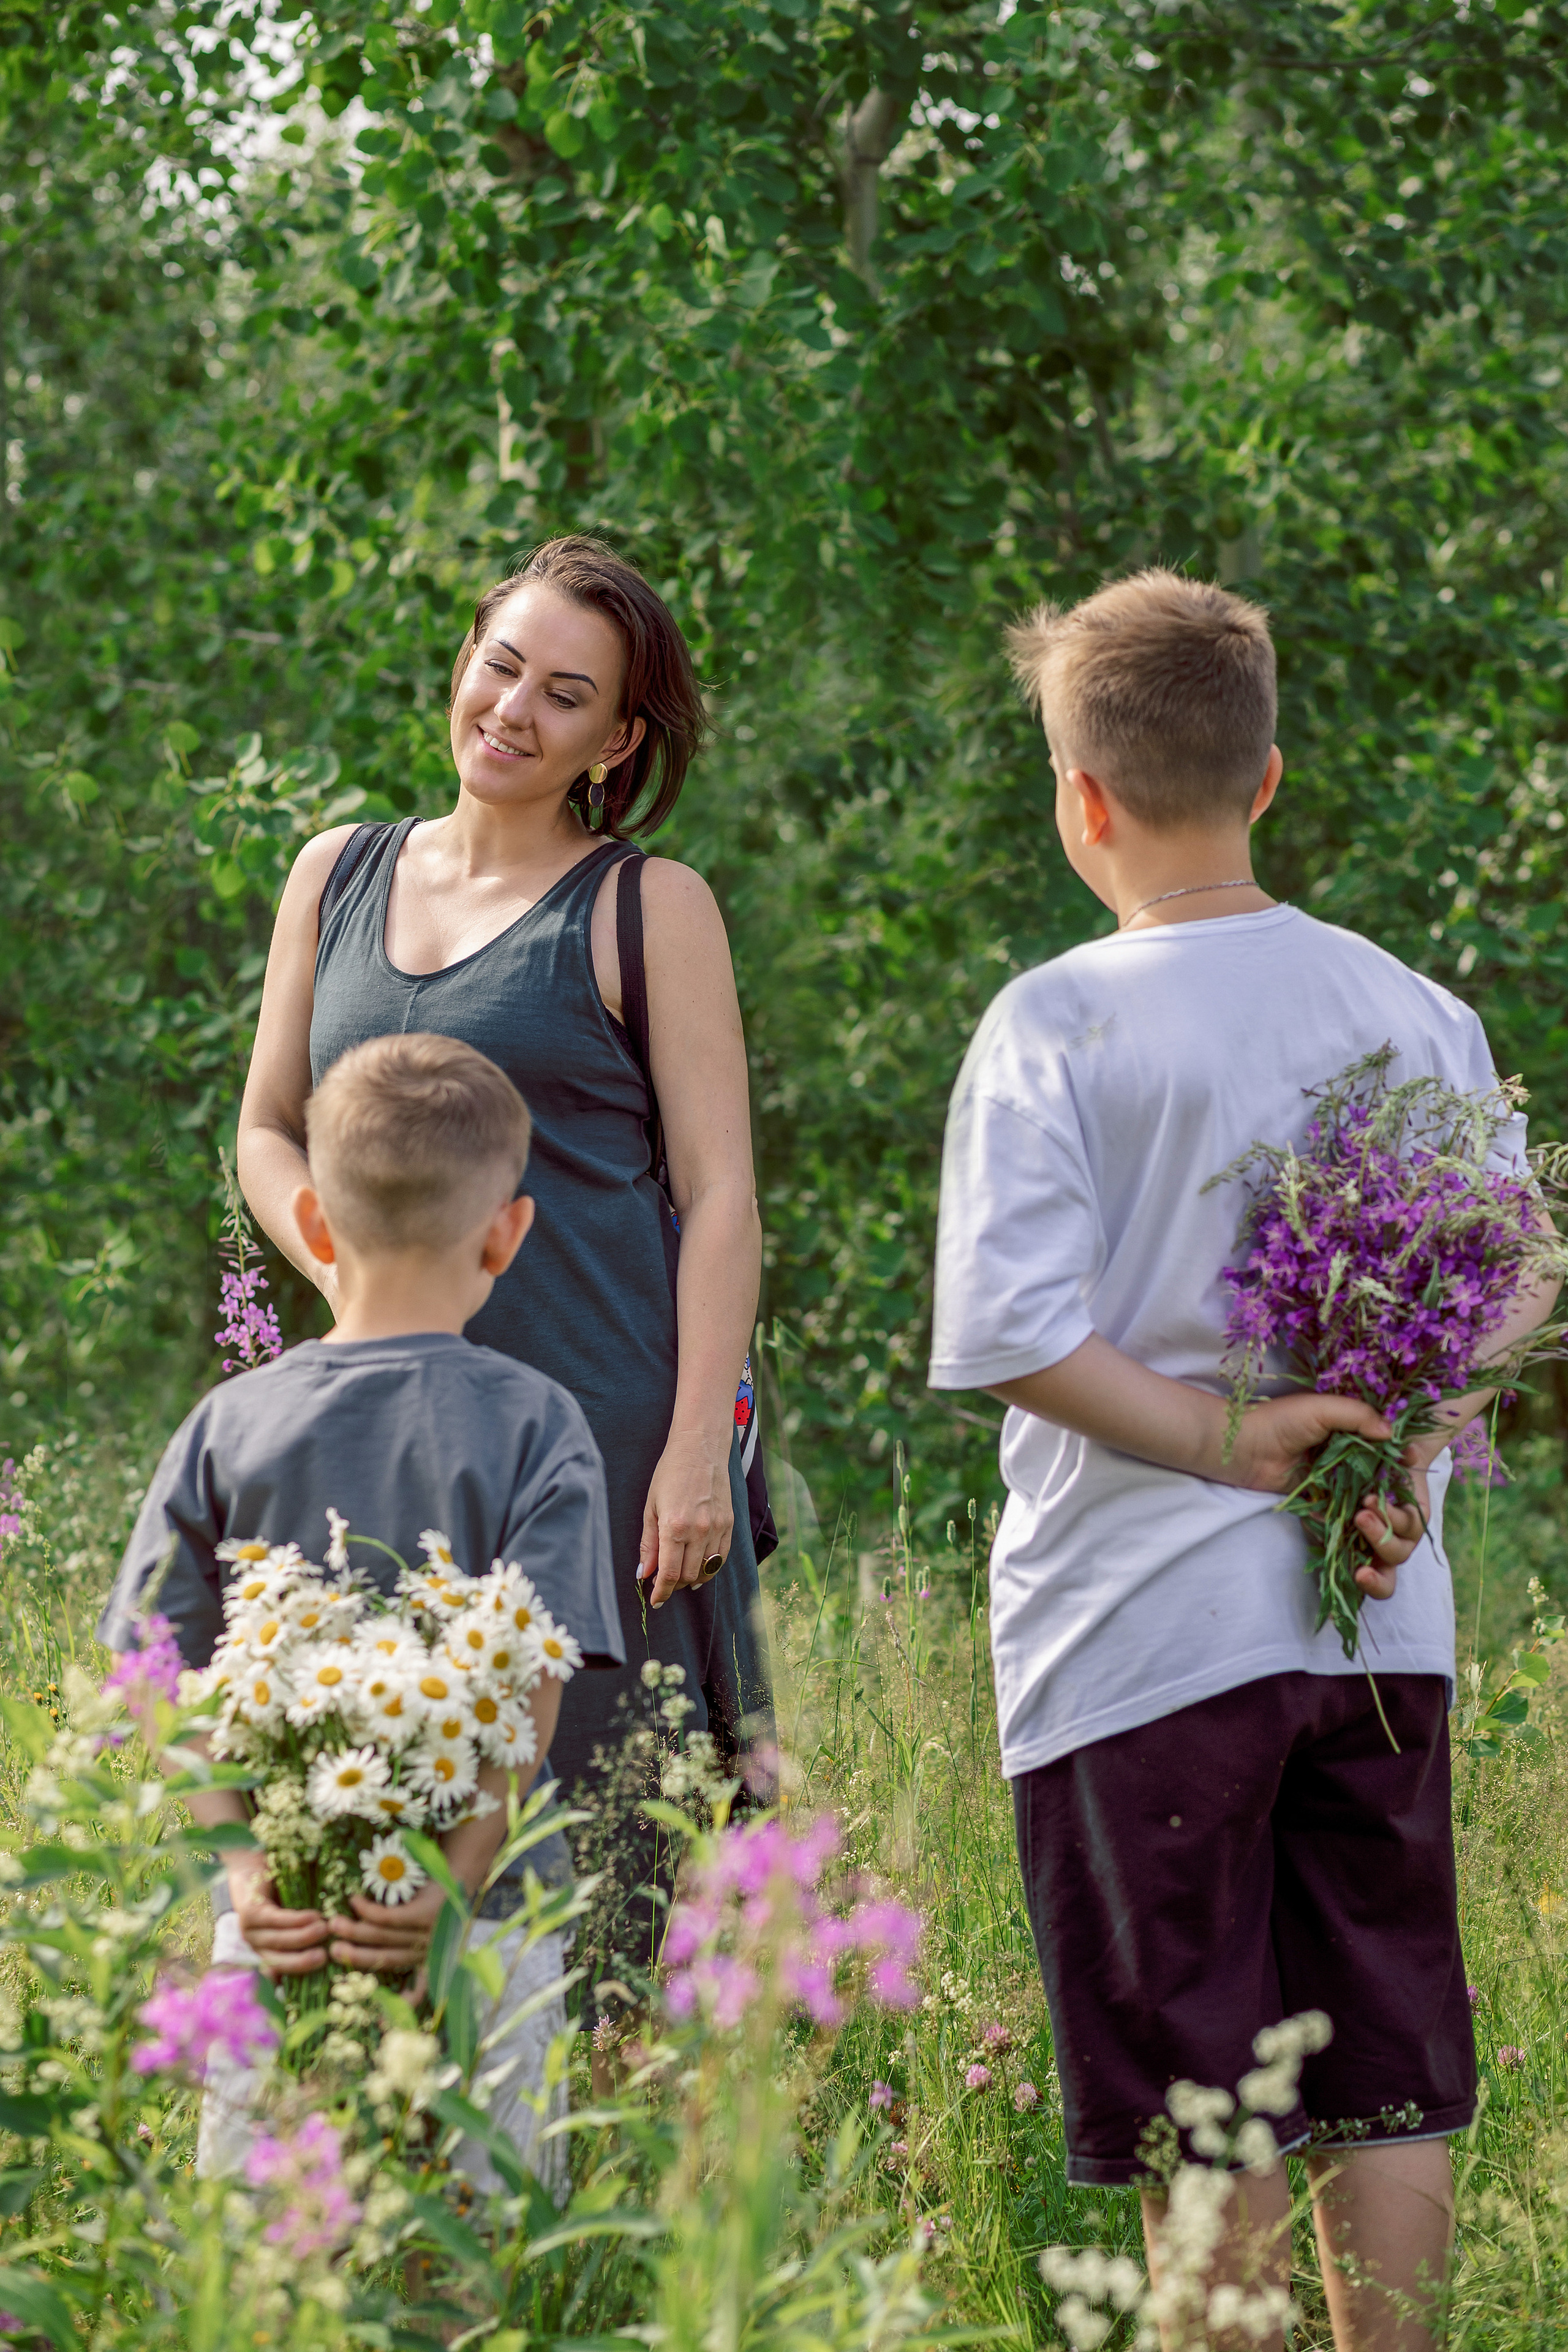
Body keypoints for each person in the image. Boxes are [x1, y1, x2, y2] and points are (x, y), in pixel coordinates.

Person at [928, 570, 1559, 2352]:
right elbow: (1524, 1271)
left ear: (1081, 801)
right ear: (1269, 777)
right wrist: (1407, 1444)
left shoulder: (1058, 1020)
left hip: (1138, 1649)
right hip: (1381, 1633)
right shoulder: (1411, 1010)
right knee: (1386, 2070)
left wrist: (1231, 1438)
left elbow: (1011, 1334)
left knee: (1205, 2102)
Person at [234, 535, 772, 1969]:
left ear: (617, 736)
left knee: (583, 1862)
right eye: (500, 666)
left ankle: (586, 2163)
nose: (514, 710)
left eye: (565, 693)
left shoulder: (648, 909)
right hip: (374, 1431)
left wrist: (692, 1453)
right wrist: (347, 1268)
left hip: (597, 1451)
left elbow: (720, 1196)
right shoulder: (333, 871)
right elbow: (267, 1131)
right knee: (367, 1823)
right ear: (464, 659)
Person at [100, 1033, 625, 2185]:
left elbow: (156, 1677)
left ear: (318, 1231)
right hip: (478, 1924)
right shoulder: (542, 1427)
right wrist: (448, 1884)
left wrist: (246, 1872)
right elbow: (529, 1706)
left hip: (282, 1922)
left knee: (274, 2252)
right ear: (509, 1231)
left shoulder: (227, 1425)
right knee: (474, 2263)